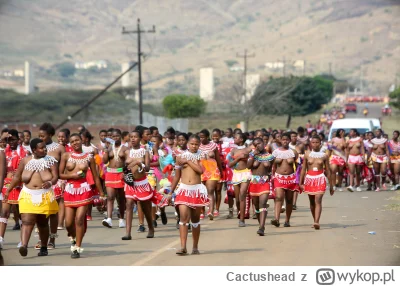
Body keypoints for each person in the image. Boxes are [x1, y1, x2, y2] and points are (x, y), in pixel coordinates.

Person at [5, 138, 59, 256]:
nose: (44, 149)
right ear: (34, 150)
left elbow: (55, 177)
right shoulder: (25, 161)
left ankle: (44, 247)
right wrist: (8, 190)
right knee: (26, 221)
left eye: (45, 147)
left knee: (42, 223)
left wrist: (50, 183)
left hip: (44, 195)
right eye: (41, 148)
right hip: (27, 194)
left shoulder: (51, 161)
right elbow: (17, 177)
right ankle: (24, 246)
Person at [59, 133, 105, 258]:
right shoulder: (65, 156)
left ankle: (77, 247)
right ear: (70, 143)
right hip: (70, 191)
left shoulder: (89, 157)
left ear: (81, 140)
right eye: (72, 141)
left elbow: (95, 176)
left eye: (77, 140)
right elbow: (60, 175)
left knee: (79, 219)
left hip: (84, 190)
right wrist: (72, 176)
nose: (75, 143)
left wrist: (101, 193)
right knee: (68, 223)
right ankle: (73, 238)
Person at [170, 134, 209, 255]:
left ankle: (195, 247)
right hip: (183, 190)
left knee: (195, 220)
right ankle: (183, 247)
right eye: (192, 144)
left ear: (199, 145)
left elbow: (200, 171)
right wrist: (170, 192)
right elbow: (177, 176)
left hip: (196, 190)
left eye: (196, 144)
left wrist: (187, 161)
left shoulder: (202, 155)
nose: (194, 146)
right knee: (183, 218)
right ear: (188, 144)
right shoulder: (179, 156)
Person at [123, 130, 157, 240]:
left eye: (135, 137)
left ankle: (151, 228)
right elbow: (124, 166)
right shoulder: (127, 152)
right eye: (131, 137)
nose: (133, 139)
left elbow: (147, 168)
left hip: (142, 183)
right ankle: (128, 233)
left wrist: (139, 163)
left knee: (145, 207)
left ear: (140, 138)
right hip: (130, 183)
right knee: (129, 204)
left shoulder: (145, 151)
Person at [38, 123, 65, 250]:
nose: (40, 137)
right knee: (41, 212)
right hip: (40, 184)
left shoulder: (59, 148)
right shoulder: (36, 147)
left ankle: (52, 239)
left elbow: (63, 166)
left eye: (43, 136)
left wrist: (64, 181)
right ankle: (42, 239)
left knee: (53, 213)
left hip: (55, 183)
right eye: (39, 136)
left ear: (50, 135)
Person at [0, 129, 27, 249]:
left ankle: (22, 241)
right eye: (8, 140)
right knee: (4, 212)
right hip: (7, 184)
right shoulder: (3, 152)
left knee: (21, 214)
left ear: (19, 140)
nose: (10, 142)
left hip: (21, 185)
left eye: (13, 140)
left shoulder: (25, 152)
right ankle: (0, 239)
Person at [300, 136, 333, 230]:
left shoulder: (324, 155)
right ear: (310, 143)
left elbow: (328, 171)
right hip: (309, 179)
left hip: (320, 178)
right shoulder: (307, 154)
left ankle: (317, 222)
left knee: (318, 200)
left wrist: (331, 185)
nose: (315, 144)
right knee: (311, 202)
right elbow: (303, 169)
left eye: (317, 142)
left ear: (320, 143)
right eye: (313, 142)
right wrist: (300, 183)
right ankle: (315, 219)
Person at [271, 132, 300, 227]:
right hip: (279, 177)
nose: (285, 141)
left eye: (287, 139)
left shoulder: (294, 152)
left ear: (289, 140)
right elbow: (273, 166)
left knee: (289, 200)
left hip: (291, 178)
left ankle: (287, 220)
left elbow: (298, 166)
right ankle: (276, 219)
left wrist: (298, 178)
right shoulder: (275, 152)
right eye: (283, 139)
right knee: (278, 197)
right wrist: (272, 176)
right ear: (280, 140)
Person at [247, 138, 274, 236]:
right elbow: (248, 166)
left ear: (264, 143)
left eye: (259, 143)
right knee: (257, 206)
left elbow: (270, 169)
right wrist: (254, 155)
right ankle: (260, 224)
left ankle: (262, 227)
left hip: (264, 181)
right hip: (254, 181)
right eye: (255, 144)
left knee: (263, 203)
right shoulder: (252, 155)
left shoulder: (270, 156)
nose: (257, 145)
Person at [102, 129, 127, 228]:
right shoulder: (109, 148)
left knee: (121, 199)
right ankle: (109, 219)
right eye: (113, 136)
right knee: (110, 197)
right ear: (111, 138)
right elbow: (104, 161)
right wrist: (106, 151)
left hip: (121, 174)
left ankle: (121, 219)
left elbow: (127, 161)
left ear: (120, 136)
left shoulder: (125, 148)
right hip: (110, 173)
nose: (115, 138)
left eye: (117, 136)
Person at [228, 133, 252, 227]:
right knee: (237, 199)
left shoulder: (248, 149)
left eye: (236, 137)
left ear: (241, 139)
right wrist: (238, 158)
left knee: (242, 195)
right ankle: (240, 212)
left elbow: (252, 160)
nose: (234, 139)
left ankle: (242, 219)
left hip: (246, 173)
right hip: (236, 174)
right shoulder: (233, 151)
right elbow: (230, 165)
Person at [198, 129, 222, 220]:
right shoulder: (197, 146)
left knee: (210, 191)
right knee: (201, 192)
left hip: (212, 170)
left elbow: (218, 159)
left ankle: (211, 211)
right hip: (201, 170)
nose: (201, 139)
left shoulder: (213, 145)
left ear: (207, 137)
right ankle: (201, 211)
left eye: (203, 137)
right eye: (199, 137)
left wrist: (221, 171)